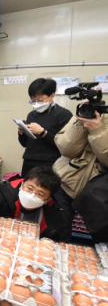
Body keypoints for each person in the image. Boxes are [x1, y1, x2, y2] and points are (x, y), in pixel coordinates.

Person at [0, 166, 70, 242]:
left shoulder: (54, 212)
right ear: (22, 185)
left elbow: (58, 241)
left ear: (47, 199)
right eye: (29, 188)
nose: (32, 195)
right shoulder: (4, 192)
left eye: (40, 194)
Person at [52, 103, 108, 241]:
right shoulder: (90, 114)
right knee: (58, 233)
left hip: (99, 193)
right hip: (67, 181)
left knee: (100, 241)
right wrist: (80, 121)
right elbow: (66, 149)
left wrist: (98, 130)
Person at [18, 78, 72, 176]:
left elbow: (65, 146)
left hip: (50, 163)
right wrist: (22, 132)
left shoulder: (64, 114)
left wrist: (43, 132)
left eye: (40, 100)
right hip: (29, 162)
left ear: (52, 96)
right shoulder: (32, 115)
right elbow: (24, 144)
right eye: (33, 101)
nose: (36, 104)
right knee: (25, 189)